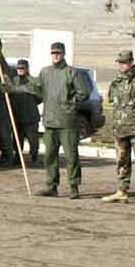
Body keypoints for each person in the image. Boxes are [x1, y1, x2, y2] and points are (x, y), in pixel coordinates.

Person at [36, 41, 84, 197]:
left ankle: (74, 186)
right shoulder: (45, 72)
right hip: (50, 121)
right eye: (53, 53)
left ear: (63, 54)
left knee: (71, 156)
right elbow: (35, 88)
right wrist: (11, 87)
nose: (55, 55)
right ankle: (51, 186)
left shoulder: (72, 72)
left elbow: (83, 92)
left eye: (58, 53)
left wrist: (70, 104)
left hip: (67, 122)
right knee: (50, 156)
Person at [104, 51, 135, 201]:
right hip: (120, 128)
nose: (121, 65)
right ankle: (122, 190)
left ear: (131, 62)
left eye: (124, 62)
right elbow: (111, 101)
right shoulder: (116, 82)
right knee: (121, 160)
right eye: (119, 62)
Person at [6, 59, 42, 166]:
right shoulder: (13, 80)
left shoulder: (33, 81)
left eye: (22, 68)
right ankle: (18, 156)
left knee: (33, 139)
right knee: (17, 138)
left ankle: (34, 156)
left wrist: (31, 101)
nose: (20, 70)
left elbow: (40, 96)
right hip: (17, 115)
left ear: (27, 69)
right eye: (18, 68)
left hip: (30, 115)